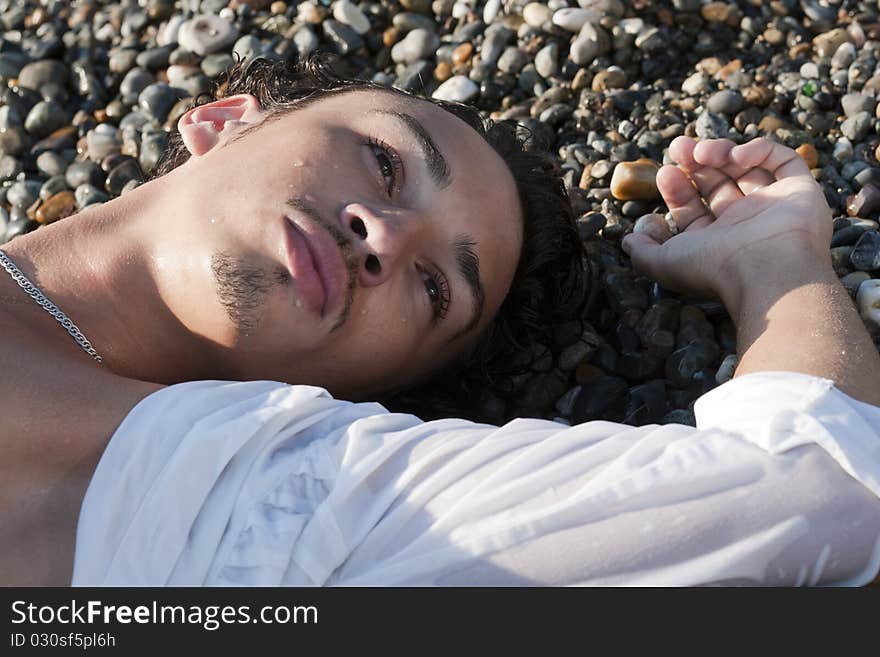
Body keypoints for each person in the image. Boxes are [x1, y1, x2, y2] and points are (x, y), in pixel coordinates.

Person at [2, 57, 879, 586]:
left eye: (432, 292)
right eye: (383, 163)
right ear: (226, 120)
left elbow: (823, 486)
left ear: (374, 393)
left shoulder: (273, 496)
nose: (383, 237)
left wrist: (776, 258)